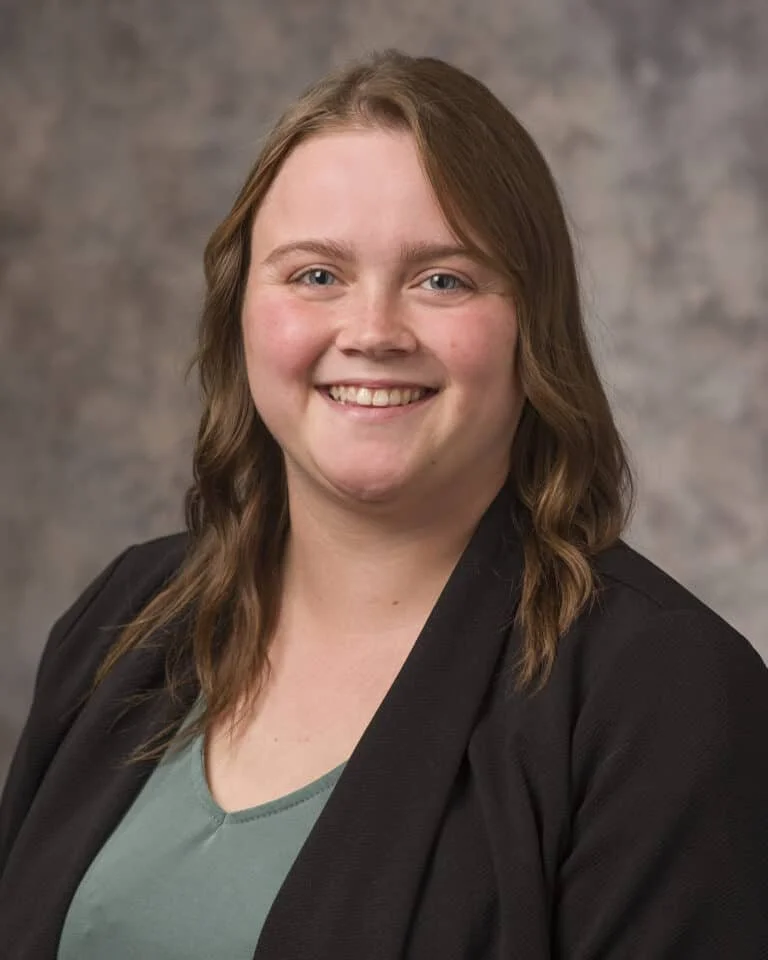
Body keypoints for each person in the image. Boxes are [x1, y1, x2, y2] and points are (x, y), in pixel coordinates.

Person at [1, 50, 766, 960]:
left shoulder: (661, 692)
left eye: (443, 279)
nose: (372, 332)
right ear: (241, 310)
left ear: (534, 323)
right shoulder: (127, 617)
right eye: (315, 275)